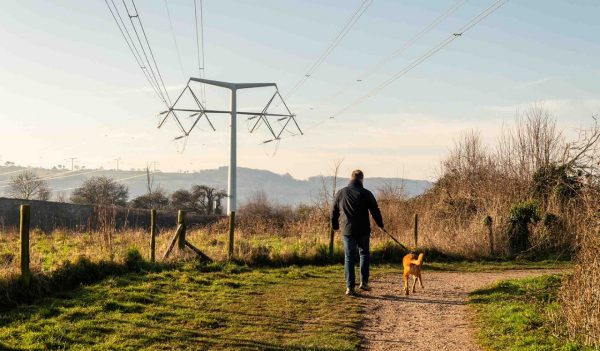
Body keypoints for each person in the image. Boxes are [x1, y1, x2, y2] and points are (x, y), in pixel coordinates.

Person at [331, 169, 384, 296]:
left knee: (349, 257)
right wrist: (380, 224)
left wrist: (335, 226)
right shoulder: (366, 193)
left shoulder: (341, 193)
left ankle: (350, 287)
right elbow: (375, 210)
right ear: (362, 179)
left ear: (351, 178)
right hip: (363, 230)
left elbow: (333, 210)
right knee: (364, 254)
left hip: (347, 230)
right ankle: (364, 282)